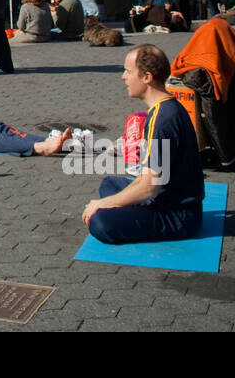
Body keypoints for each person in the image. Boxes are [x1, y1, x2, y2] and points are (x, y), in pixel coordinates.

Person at [83, 45, 204, 244]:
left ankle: (125, 210)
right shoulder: (165, 108)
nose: (123, 77)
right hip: (169, 196)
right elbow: (149, 175)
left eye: (128, 72)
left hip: (178, 215)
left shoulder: (163, 120)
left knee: (100, 222)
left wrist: (102, 204)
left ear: (146, 77)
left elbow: (150, 187)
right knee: (109, 184)